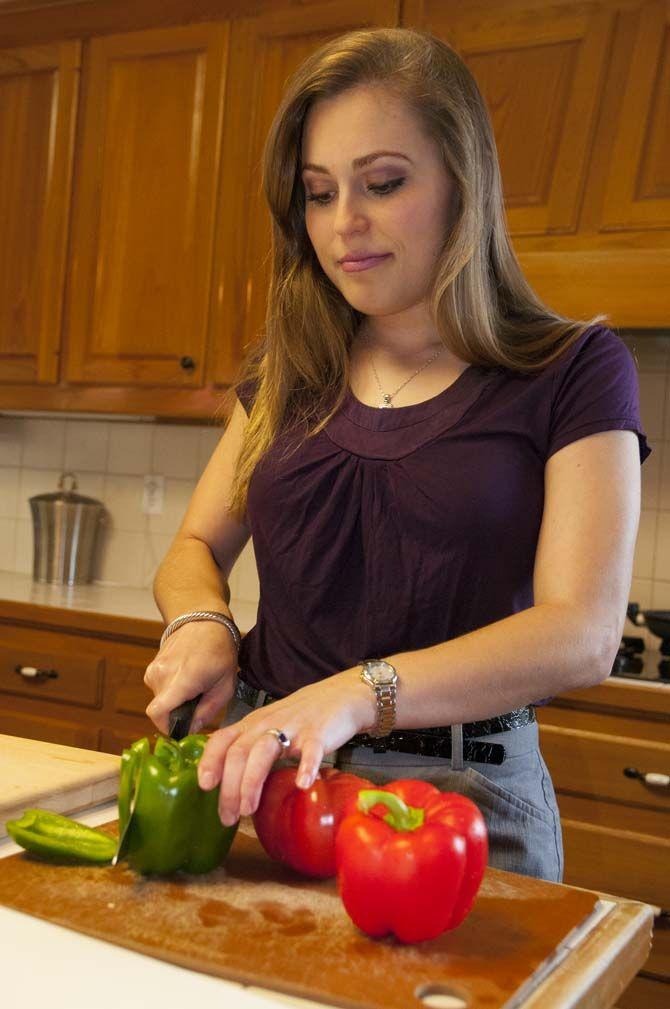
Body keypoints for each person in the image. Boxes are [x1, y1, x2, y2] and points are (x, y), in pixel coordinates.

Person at [144, 27, 651, 882]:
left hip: (464, 801)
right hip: (267, 783)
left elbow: (583, 633)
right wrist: (202, 623)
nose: (345, 224)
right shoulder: (291, 367)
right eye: (317, 192)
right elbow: (195, 548)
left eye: (383, 183)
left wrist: (352, 694)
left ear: (464, 183)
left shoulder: (574, 370)